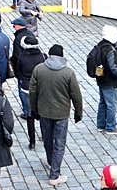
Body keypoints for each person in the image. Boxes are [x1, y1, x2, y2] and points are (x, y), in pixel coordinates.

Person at [29, 44, 83, 187]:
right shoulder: (68, 73)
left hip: (44, 111)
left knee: (47, 139)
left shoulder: (38, 70)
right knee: (59, 144)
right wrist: (78, 112)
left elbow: (33, 91)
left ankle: (51, 162)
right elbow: (76, 95)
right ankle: (54, 174)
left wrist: (33, 109)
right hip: (61, 113)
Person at [92, 25, 117, 134]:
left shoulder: (101, 45)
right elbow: (113, 66)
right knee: (112, 104)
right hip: (109, 81)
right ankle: (111, 127)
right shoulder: (109, 49)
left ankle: (101, 124)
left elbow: (109, 56)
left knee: (103, 102)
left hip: (101, 79)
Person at [13, 32, 46, 149]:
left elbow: (20, 72)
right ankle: (44, 135)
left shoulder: (22, 57)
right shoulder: (41, 57)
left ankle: (32, 141)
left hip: (26, 87)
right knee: (42, 114)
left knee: (29, 115)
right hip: (39, 88)